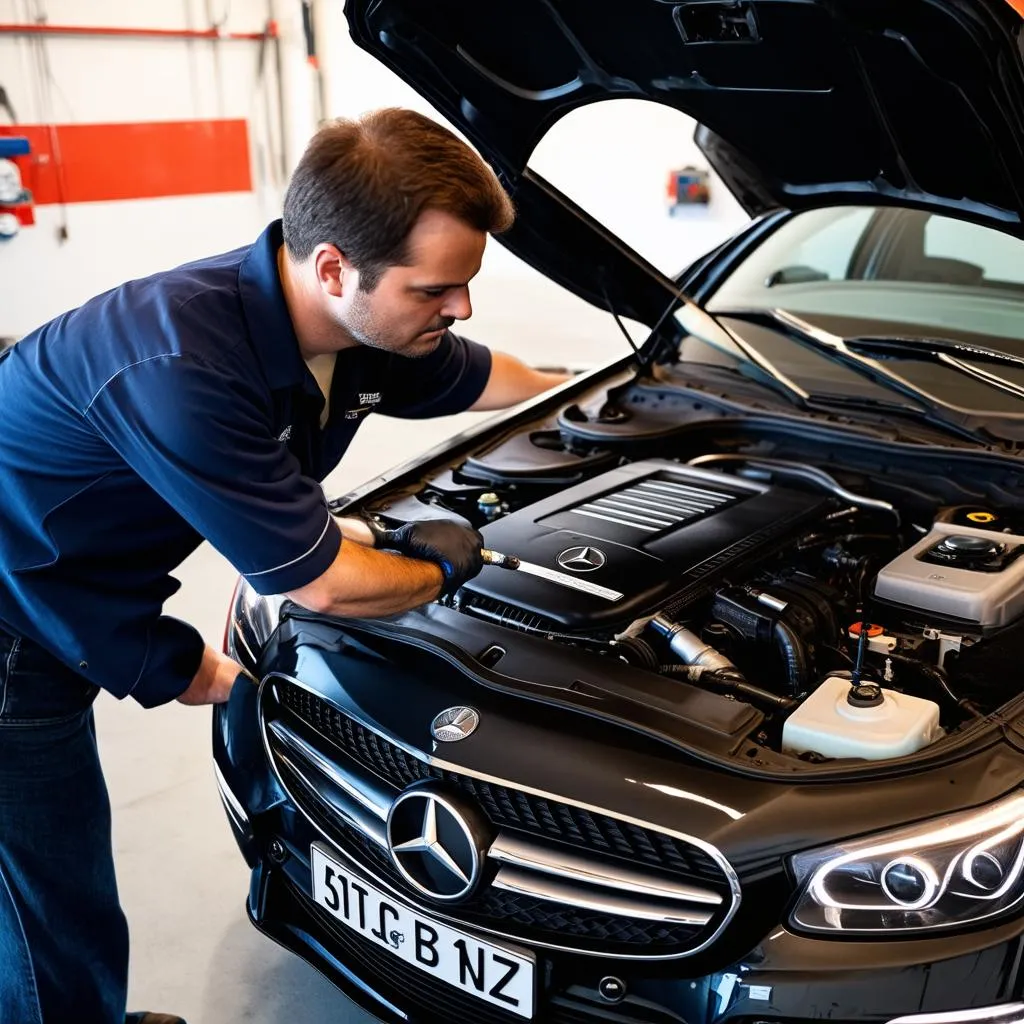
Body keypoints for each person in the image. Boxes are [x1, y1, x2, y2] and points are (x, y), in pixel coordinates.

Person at [0, 107, 569, 1024]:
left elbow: (478, 374)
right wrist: (441, 569)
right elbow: (318, 583)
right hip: (12, 618)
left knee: (60, 875)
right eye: (436, 290)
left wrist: (601, 393)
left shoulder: (353, 327)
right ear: (336, 266)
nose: (458, 307)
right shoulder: (186, 363)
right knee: (44, 889)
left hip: (70, 585)